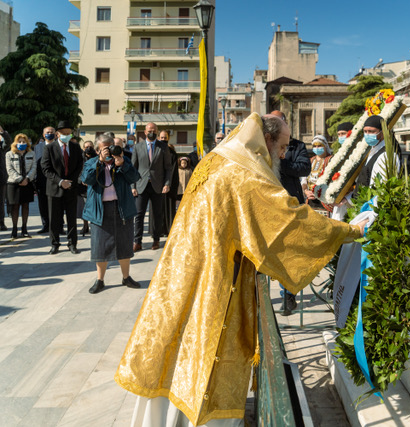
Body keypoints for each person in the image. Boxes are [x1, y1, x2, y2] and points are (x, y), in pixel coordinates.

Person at [115, 113, 366, 427]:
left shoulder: (217, 159)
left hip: (182, 274)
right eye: (284, 146)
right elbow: (286, 221)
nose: (285, 154)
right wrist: (346, 230)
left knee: (175, 349)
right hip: (215, 280)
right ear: (267, 140)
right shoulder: (244, 173)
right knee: (202, 354)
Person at [81, 133, 141, 294]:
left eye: (111, 147)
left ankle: (126, 277)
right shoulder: (91, 162)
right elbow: (86, 179)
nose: (109, 151)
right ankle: (100, 280)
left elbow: (135, 177)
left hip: (121, 207)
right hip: (100, 210)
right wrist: (99, 162)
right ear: (97, 150)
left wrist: (123, 164)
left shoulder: (122, 160)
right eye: (105, 148)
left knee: (124, 243)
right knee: (100, 246)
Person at [269, 110, 312, 313]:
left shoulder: (297, 146)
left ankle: (288, 295)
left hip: (291, 202)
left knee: (289, 251)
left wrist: (281, 159)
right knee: (274, 251)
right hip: (268, 205)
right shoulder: (262, 144)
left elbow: (304, 168)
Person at [41, 121, 84, 254]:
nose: (66, 135)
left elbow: (79, 165)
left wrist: (71, 181)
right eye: (63, 133)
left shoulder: (75, 147)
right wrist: (60, 182)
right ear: (57, 134)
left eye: (68, 133)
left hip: (71, 188)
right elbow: (46, 168)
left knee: (72, 218)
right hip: (55, 188)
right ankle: (55, 244)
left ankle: (72, 244)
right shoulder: (49, 148)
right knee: (54, 219)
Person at [131, 122, 172, 251]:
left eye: (154, 130)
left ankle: (156, 240)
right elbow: (133, 168)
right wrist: (133, 186)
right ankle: (137, 241)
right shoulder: (138, 147)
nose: (152, 132)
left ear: (157, 132)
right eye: (150, 130)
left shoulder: (163, 148)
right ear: (144, 132)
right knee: (139, 215)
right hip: (141, 185)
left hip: (157, 186)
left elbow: (168, 168)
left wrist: (167, 184)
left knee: (157, 214)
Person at [5, 134, 36, 239]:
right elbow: (9, 169)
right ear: (15, 143)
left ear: (27, 143)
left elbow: (34, 167)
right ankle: (14, 229)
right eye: (20, 142)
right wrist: (20, 179)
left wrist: (27, 178)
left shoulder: (31, 153)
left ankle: (24, 229)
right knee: (15, 206)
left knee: (25, 205)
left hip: (27, 183)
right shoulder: (9, 154)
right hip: (14, 183)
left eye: (24, 142)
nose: (21, 144)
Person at [301, 134, 332, 211]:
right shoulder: (310, 161)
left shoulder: (330, 160)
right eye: (314, 146)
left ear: (325, 146)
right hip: (310, 199)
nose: (317, 148)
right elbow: (304, 179)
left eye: (319, 146)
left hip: (325, 201)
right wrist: (306, 191)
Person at [35, 127, 56, 234]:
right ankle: (45, 225)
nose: (49, 134)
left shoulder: (59, 146)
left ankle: (58, 226)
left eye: (51, 132)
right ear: (43, 135)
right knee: (43, 204)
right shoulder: (37, 147)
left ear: (55, 134)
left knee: (57, 205)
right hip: (41, 180)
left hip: (55, 180)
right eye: (47, 133)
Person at [79, 140, 98, 236]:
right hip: (82, 187)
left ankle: (93, 226)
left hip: (94, 186)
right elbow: (77, 171)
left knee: (93, 207)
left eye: (90, 146)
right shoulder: (79, 158)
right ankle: (85, 225)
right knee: (84, 207)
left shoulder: (97, 157)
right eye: (86, 147)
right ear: (83, 148)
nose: (88, 148)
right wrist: (82, 179)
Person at [0, 125, 9, 231]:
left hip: (0, 177)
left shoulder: (1, 146)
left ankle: (1, 222)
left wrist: (2, 132)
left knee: (1, 203)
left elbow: (8, 142)